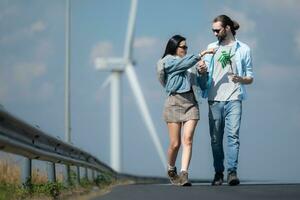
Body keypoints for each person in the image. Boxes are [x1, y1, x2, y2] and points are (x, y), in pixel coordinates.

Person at [202, 15, 254, 186]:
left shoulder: (243, 49)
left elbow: (250, 77)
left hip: (234, 97)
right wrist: (201, 68)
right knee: (216, 138)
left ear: (228, 28)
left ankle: (232, 172)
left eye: (217, 30)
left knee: (233, 136)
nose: (215, 33)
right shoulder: (211, 48)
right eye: (213, 30)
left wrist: (241, 79)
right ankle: (218, 172)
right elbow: (203, 70)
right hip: (214, 98)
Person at [157, 35, 213, 186]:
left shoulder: (191, 62)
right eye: (183, 47)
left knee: (187, 139)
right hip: (174, 102)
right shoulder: (166, 61)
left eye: (187, 47)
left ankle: (184, 174)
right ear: (174, 47)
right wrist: (200, 55)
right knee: (175, 144)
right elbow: (175, 69)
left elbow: (201, 85)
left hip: (191, 102)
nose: (186, 50)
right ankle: (171, 168)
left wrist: (202, 72)